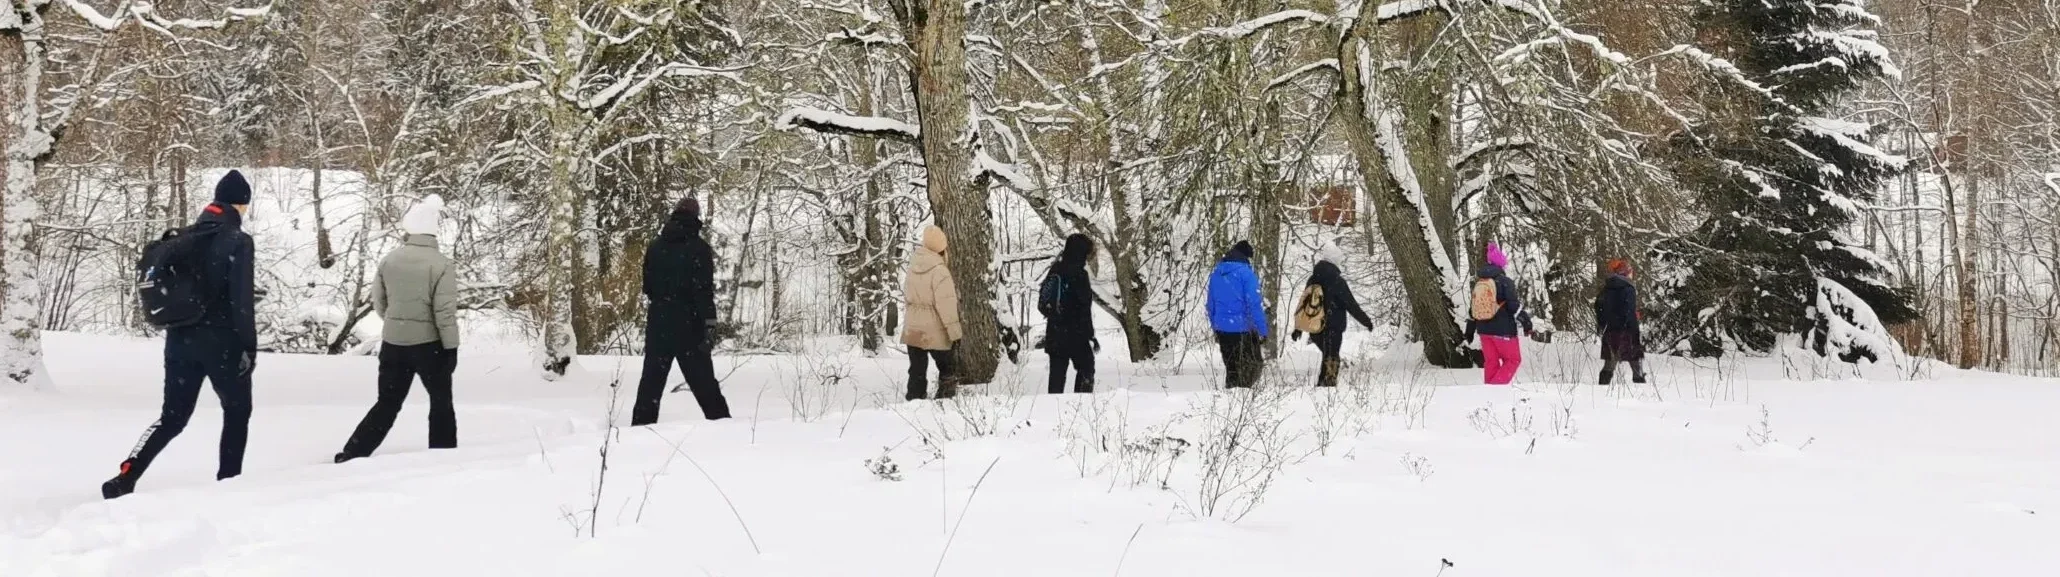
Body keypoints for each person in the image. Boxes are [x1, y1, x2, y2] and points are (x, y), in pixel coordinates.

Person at [104, 171, 259, 499]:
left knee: (172, 418)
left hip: (179, 341)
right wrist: (249, 347)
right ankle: (228, 484)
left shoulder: (183, 239)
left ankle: (128, 473)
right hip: (223, 343)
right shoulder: (237, 241)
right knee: (236, 411)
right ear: (241, 205)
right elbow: (241, 301)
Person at [335, 195, 461, 463]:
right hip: (430, 346)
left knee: (387, 403)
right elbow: (444, 313)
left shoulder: (389, 260)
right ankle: (443, 457)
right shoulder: (441, 265)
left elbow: (380, 304)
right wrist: (451, 347)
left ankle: (353, 452)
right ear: (434, 231)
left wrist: (397, 322)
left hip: (393, 345)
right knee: (440, 403)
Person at [633, 197, 732, 426]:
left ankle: (639, 429)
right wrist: (709, 324)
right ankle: (724, 427)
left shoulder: (655, 246)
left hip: (659, 321)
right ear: (695, 217)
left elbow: (647, 286)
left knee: (651, 383)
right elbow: (703, 292)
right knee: (704, 383)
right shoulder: (699, 249)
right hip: (690, 325)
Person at [1290, 246, 1375, 388]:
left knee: (1328, 357)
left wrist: (1298, 328)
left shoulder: (1313, 278)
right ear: (1335, 260)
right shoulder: (1337, 281)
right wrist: (1366, 321)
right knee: (1332, 359)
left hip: (1315, 328)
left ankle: (1323, 388)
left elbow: (1304, 304)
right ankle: (1326, 390)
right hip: (1333, 327)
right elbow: (1351, 305)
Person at [901, 225, 963, 400]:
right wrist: (954, 332)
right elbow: (946, 304)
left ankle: (914, 403)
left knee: (916, 370)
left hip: (912, 327)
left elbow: (907, 296)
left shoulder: (913, 266)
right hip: (935, 329)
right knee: (947, 368)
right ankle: (945, 401)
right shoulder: (940, 271)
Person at [1463, 242, 1533, 386]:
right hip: (1503, 331)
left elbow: (1473, 309)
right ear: (1501, 266)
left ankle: (1489, 397)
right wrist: (1527, 323)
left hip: (1483, 331)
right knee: (1513, 360)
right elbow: (1514, 306)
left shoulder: (1480, 282)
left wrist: (1469, 332)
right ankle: (1494, 391)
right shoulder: (1505, 282)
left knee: (1491, 362)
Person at [1206, 241, 1269, 389]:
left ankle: (1229, 403)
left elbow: (1210, 305)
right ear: (1246, 257)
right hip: (1242, 330)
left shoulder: (1216, 273)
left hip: (1223, 330)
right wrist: (1262, 330)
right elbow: (1254, 304)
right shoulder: (1246, 274)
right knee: (1252, 367)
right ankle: (1243, 403)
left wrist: (1216, 326)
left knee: (1232, 370)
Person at [1040, 234, 1098, 394]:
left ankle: (1052, 410)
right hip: (1075, 334)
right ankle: (1081, 405)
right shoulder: (1079, 275)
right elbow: (1084, 308)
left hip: (1054, 333)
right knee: (1087, 369)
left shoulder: (1055, 269)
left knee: (1056, 379)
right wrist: (1090, 335)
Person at [1594, 258, 1647, 384]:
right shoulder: (1628, 288)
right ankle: (1640, 385)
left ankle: (1602, 387)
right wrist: (1633, 324)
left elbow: (1598, 307)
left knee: (1609, 362)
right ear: (1624, 272)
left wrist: (1603, 324)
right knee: (1635, 360)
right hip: (1627, 330)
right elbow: (1629, 311)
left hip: (1610, 330)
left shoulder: (1607, 288)